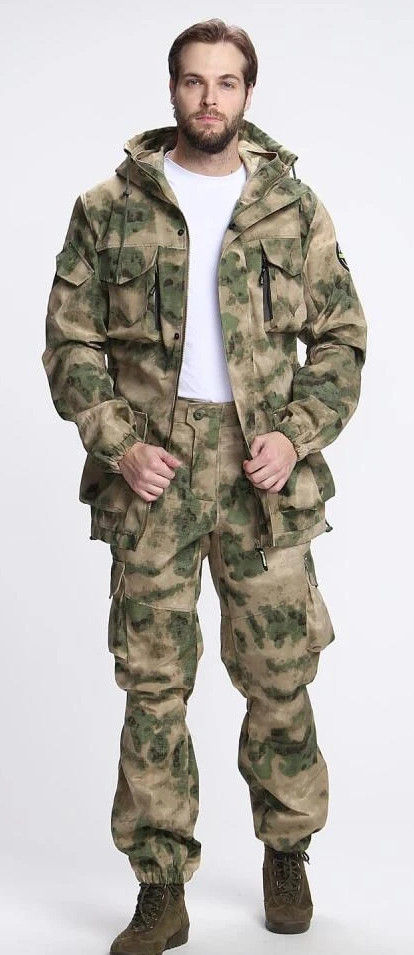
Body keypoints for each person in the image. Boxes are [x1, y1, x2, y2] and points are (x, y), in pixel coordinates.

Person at [42, 17, 367, 954]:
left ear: (248, 93)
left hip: (262, 470)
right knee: (153, 682)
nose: (210, 98)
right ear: (172, 89)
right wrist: (119, 443)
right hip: (155, 472)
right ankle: (160, 886)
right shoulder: (109, 207)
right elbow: (70, 342)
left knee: (280, 673)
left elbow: (342, 341)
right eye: (194, 81)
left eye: (227, 82)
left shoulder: (291, 207)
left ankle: (286, 851)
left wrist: (295, 437)